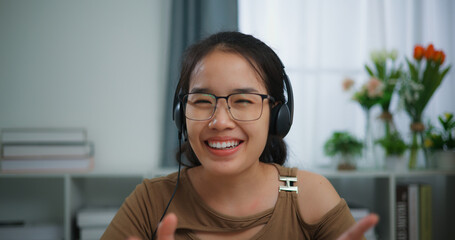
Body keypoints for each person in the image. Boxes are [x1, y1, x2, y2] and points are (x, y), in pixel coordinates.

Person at [101, 31, 378, 240]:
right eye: (202, 101)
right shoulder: (151, 200)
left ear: (277, 116)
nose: (220, 121)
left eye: (243, 101)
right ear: (180, 114)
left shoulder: (310, 196)